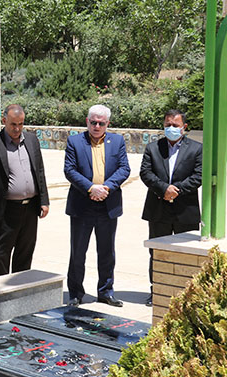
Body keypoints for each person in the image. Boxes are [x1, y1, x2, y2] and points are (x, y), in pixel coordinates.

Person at [64, 104, 131, 307]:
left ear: (107, 124)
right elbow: (70, 170)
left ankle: (106, 292)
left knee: (107, 252)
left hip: (107, 206)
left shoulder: (117, 141)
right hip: (82, 205)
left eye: (101, 123)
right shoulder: (75, 141)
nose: (96, 126)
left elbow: (124, 168)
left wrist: (106, 188)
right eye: (93, 122)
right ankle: (75, 293)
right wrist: (91, 188)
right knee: (78, 252)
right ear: (87, 121)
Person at [140, 109, 202, 306]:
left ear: (184, 127)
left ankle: (187, 294)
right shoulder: (153, 147)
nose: (171, 128)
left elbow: (199, 176)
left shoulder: (197, 149)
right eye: (168, 125)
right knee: (158, 253)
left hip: (186, 210)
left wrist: (177, 190)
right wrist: (164, 189)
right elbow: (145, 173)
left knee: (187, 253)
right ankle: (156, 291)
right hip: (158, 209)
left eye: (175, 125)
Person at [0, 104, 49, 277]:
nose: (17, 128)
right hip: (5, 209)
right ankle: (0, 296)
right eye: (13, 124)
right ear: (4, 121)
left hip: (30, 209)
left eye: (20, 124)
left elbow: (39, 170)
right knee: (0, 254)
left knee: (25, 253)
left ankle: (20, 294)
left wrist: (44, 200)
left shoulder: (32, 140)